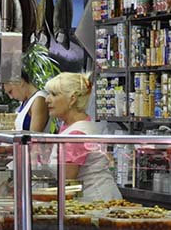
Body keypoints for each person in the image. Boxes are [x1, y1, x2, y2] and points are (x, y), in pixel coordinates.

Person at [45, 72, 122, 202]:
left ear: (72, 99)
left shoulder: (76, 134)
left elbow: (69, 183)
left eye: (54, 94)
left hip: (97, 202)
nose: (47, 99)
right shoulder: (73, 125)